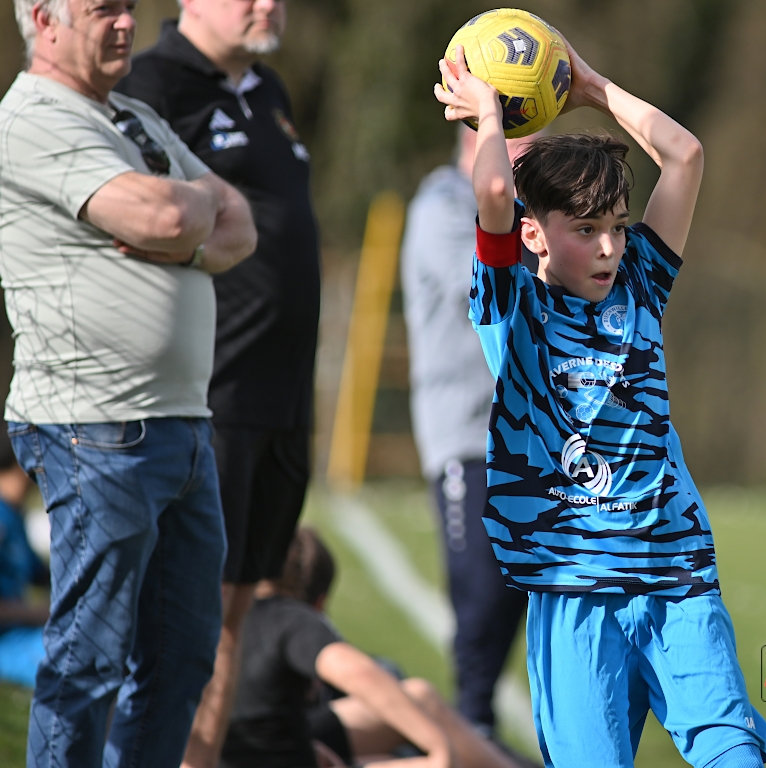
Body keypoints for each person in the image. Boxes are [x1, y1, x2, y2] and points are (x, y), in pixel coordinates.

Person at [433, 36, 766, 768]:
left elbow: (684, 154)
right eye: (586, 230)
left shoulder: (641, 286)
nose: (609, 249)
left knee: (732, 752)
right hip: (573, 585)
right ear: (533, 235)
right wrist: (490, 116)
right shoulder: (511, 310)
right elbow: (494, 194)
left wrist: (591, 87)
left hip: (676, 571)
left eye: (618, 228)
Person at [1, 0, 257, 765]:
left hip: (181, 424)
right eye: (102, 8)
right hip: (95, 428)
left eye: (128, 7)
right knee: (89, 660)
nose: (125, 23)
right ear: (45, 19)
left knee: (182, 658)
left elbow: (238, 226)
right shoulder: (32, 119)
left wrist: (186, 220)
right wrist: (188, 212)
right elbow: (173, 219)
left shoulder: (133, 116)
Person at [114, 3, 322, 766]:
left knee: (235, 616)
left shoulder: (270, 90)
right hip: (213, 396)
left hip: (284, 399)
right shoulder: (151, 84)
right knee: (181, 627)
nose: (268, 4)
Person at [400, 124, 536, 735]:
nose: (531, 147)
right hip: (468, 435)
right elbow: (489, 287)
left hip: (532, 434)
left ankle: (482, 731)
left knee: (521, 592)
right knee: (481, 594)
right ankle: (472, 729)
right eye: (517, 134)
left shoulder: (535, 210)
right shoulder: (442, 207)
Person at [221, 527, 532, 768]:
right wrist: (439, 750)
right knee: (418, 709)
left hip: (226, 751)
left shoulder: (222, 612)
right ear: (319, 604)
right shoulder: (286, 618)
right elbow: (358, 672)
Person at [0, 432, 48, 689]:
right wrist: (42, 613)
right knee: (88, 657)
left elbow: (44, 576)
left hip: (24, 634)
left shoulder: (13, 514)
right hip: (7, 643)